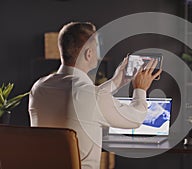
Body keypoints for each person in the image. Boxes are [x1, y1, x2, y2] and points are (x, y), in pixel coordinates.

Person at [28, 22, 162, 169]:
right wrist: (140, 89)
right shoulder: (91, 95)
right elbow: (135, 118)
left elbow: (86, 97)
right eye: (97, 47)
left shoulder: (39, 87)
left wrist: (115, 83)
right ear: (89, 54)